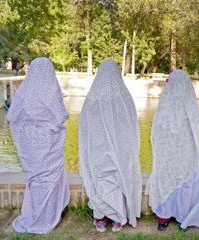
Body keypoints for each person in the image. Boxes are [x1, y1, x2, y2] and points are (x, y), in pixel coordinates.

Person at [7, 57, 70, 234]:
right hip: (49, 145)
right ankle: (47, 216)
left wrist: (26, 133)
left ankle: (35, 215)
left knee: (36, 179)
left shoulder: (24, 91)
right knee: (48, 177)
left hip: (31, 148)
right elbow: (60, 116)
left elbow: (12, 116)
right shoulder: (50, 89)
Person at [79, 59, 142, 232]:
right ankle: (115, 216)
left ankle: (102, 217)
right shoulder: (124, 96)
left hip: (98, 149)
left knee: (100, 179)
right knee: (115, 178)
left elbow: (83, 128)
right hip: (116, 149)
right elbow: (131, 126)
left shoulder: (92, 97)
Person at [146, 69, 199, 231]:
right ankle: (169, 216)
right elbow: (158, 128)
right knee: (175, 179)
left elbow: (195, 128)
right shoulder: (167, 101)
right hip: (170, 151)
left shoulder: (186, 102)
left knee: (179, 180)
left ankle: (177, 216)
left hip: (182, 150)